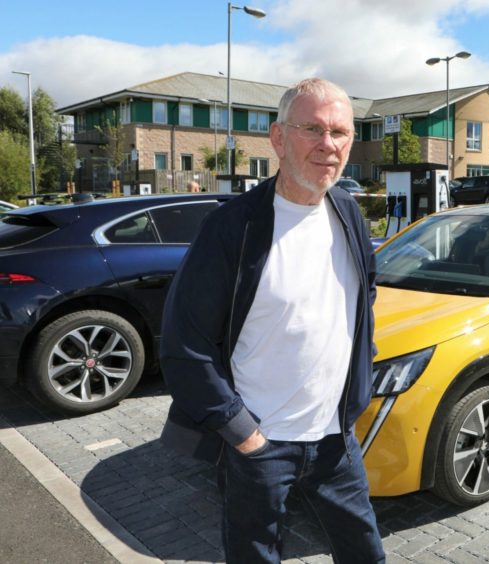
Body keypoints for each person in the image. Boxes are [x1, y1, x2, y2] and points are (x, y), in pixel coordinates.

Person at [160, 78, 384, 563]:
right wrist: (245, 436)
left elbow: (363, 300)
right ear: (279, 139)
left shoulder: (349, 213)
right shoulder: (231, 228)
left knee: (366, 554)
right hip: (259, 446)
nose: (329, 145)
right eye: (313, 129)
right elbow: (185, 346)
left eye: (341, 133)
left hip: (335, 443)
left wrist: (358, 389)